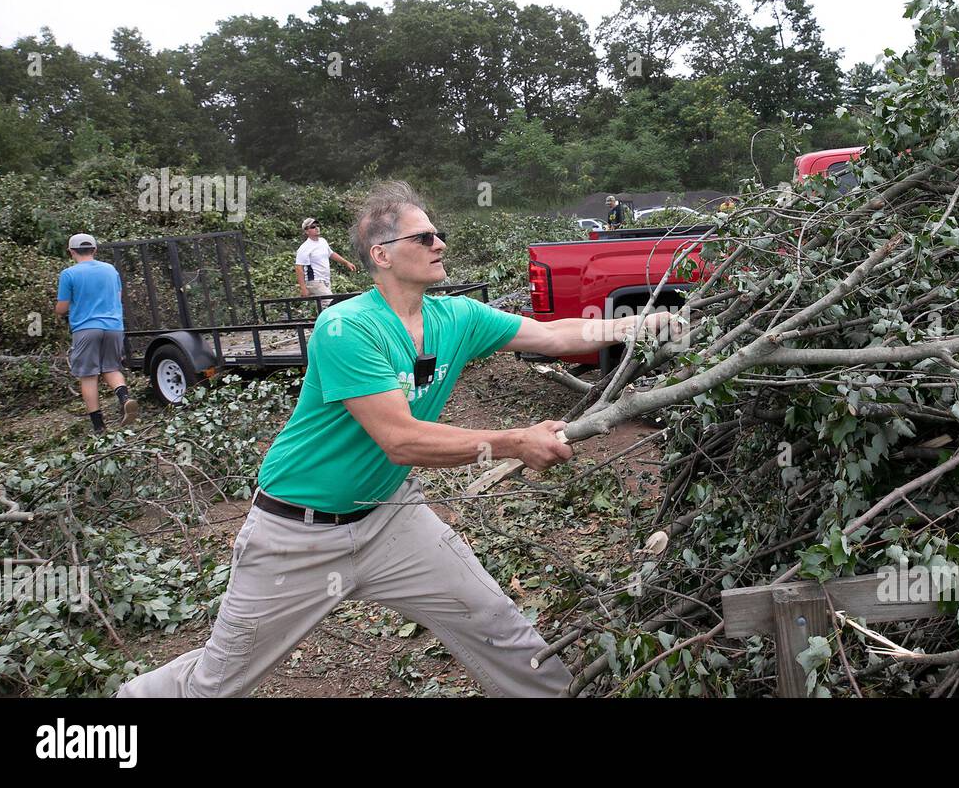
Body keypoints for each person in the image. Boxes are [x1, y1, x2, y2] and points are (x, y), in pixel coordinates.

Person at [117, 181, 679, 698]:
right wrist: (514, 441)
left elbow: (555, 334)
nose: (439, 243)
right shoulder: (347, 328)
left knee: (495, 624)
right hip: (296, 532)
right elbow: (400, 440)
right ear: (381, 255)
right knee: (218, 682)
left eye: (439, 234)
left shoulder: (456, 316)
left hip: (389, 517)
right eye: (424, 236)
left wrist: (643, 324)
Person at [55, 233, 138, 434]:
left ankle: (99, 426)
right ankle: (125, 398)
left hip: (86, 329)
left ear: (71, 252)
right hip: (113, 327)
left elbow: (62, 307)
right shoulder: (110, 270)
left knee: (88, 376)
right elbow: (117, 298)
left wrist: (59, 309)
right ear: (95, 250)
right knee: (111, 367)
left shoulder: (69, 274)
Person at [295, 217, 356, 305]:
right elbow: (298, 267)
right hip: (315, 281)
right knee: (331, 304)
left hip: (326, 280)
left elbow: (331, 254)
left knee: (325, 307)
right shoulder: (305, 247)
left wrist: (346, 262)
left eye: (317, 226)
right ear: (306, 231)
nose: (316, 228)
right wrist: (303, 288)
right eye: (312, 227)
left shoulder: (322, 241)